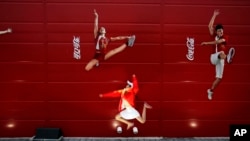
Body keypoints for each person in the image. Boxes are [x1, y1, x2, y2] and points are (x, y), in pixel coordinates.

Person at [201, 9, 235, 100]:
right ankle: (227, 57)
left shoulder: (225, 37)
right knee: (222, 52)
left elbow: (219, 41)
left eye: (222, 31)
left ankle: (210, 91)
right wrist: (214, 15)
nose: (221, 32)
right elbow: (209, 26)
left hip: (221, 59)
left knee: (219, 78)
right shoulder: (214, 35)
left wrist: (207, 43)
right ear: (216, 32)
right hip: (213, 57)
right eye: (219, 31)